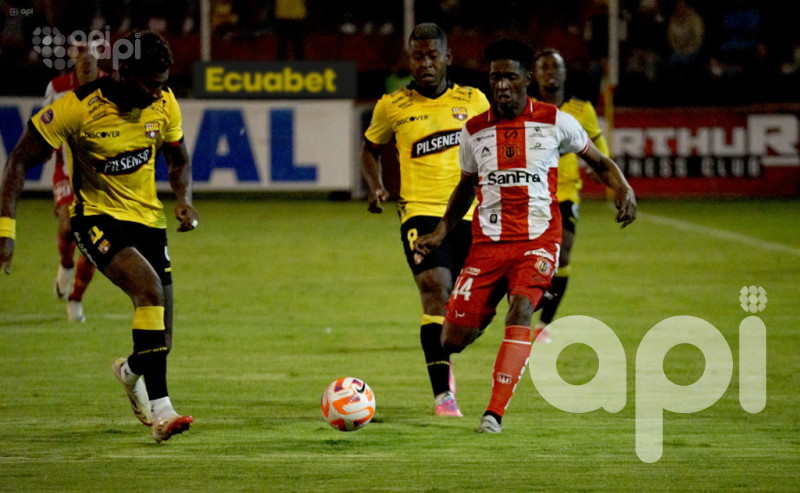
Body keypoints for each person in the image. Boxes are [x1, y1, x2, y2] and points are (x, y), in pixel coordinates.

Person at [414, 38, 636, 434]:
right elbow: (465, 187)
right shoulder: (474, 130)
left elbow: (599, 161)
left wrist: (622, 187)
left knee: (522, 309)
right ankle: (484, 310)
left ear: (526, 79)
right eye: (495, 77)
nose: (501, 85)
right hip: (487, 246)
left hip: (537, 240)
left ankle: (493, 414)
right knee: (451, 340)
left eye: (509, 77)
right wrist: (443, 229)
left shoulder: (556, 121)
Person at [0, 31, 197, 443]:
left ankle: (129, 372)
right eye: (151, 83)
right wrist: (6, 229)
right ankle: (163, 412)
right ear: (124, 71)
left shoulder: (164, 103)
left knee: (163, 340)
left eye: (163, 82)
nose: (159, 91)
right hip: (94, 218)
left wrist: (184, 199)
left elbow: (178, 159)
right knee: (149, 293)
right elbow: (18, 160)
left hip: (148, 220)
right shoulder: (76, 108)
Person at [361, 23, 490, 417]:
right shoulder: (392, 105)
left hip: (470, 213)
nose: (426, 63)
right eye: (418, 56)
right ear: (410, 59)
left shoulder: (475, 101)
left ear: (448, 57)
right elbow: (369, 149)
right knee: (435, 289)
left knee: (476, 310)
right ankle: (443, 396)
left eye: (433, 55)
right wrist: (376, 185)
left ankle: (447, 348)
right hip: (418, 211)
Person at [530, 48, 611, 343]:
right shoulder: (526, 107)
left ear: (564, 73)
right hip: (531, 193)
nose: (550, 72)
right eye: (544, 67)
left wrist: (603, 166)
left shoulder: (581, 108)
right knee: (531, 260)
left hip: (565, 192)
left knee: (563, 252)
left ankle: (543, 325)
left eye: (556, 66)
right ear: (535, 75)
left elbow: (597, 139)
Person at [48, 42, 105, 322]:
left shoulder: (113, 86)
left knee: (96, 245)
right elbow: (43, 126)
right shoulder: (57, 88)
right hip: (66, 169)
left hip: (102, 178)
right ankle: (66, 264)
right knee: (68, 224)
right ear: (73, 56)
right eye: (81, 51)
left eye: (92, 53)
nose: (86, 58)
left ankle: (76, 300)